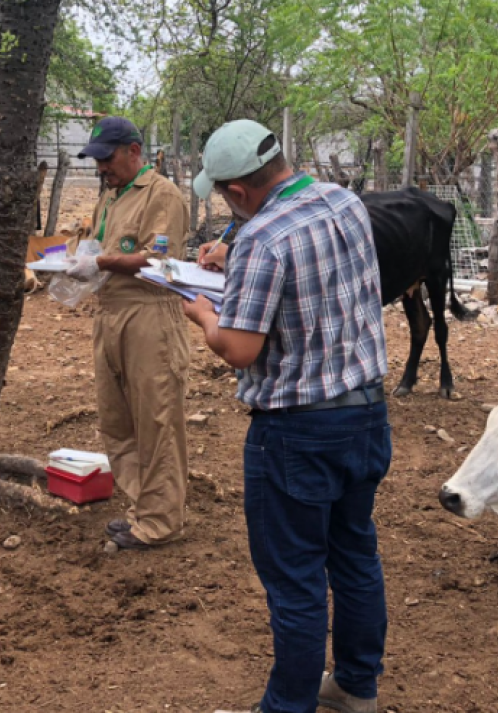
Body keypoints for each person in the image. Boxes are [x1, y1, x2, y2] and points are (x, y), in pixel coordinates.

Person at [185, 119, 391, 713]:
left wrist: (203, 315)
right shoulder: (344, 201)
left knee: (296, 579)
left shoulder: (262, 239)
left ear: (239, 192)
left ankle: (287, 707)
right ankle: (356, 685)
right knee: (354, 554)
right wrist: (235, 256)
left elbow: (240, 349)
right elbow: (319, 270)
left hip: (297, 431)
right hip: (367, 415)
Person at [66, 116, 191, 550]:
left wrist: (98, 265)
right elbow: (100, 249)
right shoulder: (111, 197)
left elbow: (160, 262)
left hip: (150, 316)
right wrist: (75, 270)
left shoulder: (163, 195)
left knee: (155, 418)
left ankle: (162, 522)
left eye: (107, 157)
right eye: (96, 160)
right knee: (117, 418)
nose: (101, 167)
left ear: (133, 152)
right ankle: (144, 509)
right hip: (110, 313)